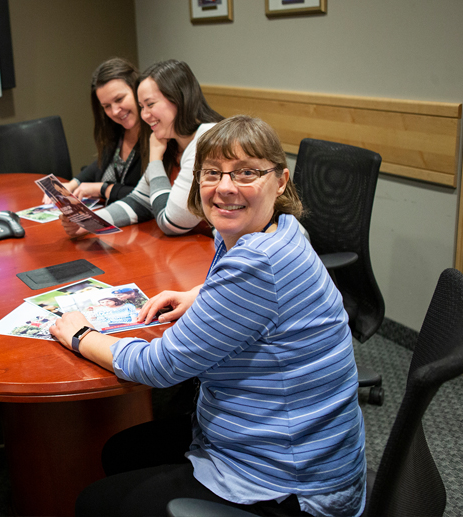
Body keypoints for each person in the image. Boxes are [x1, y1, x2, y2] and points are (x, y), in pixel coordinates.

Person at [50, 115, 366, 517]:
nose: (225, 188)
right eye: (212, 173)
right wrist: (199, 294)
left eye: (246, 173)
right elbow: (265, 292)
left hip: (289, 482)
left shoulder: (255, 264)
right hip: (293, 444)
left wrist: (81, 334)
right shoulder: (281, 229)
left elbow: (158, 367)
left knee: (92, 502)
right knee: (122, 450)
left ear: (281, 181)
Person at [61, 59, 224, 237]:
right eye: (141, 107)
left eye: (150, 104)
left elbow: (171, 223)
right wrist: (86, 222)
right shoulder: (169, 143)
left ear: (179, 99)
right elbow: (138, 200)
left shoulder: (208, 140)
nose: (145, 115)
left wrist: (154, 160)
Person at [44, 57, 144, 204]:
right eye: (106, 106)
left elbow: (147, 195)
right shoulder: (117, 130)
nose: (115, 111)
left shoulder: (158, 136)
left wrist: (102, 188)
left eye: (119, 99)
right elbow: (100, 165)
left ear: (137, 90)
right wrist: (73, 184)